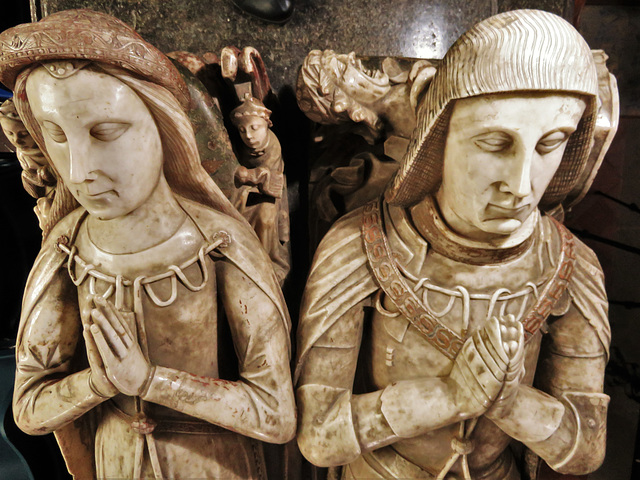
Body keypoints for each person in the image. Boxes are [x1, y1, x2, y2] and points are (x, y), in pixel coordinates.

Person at [295, 10, 611, 480]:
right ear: (438, 137)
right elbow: (319, 436)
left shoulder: (569, 265)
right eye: (495, 142)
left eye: (550, 144)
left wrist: (506, 401)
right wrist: (451, 396)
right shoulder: (360, 247)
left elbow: (585, 447)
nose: (521, 187)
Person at [0, 10, 295, 479]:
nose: (78, 171)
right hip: (115, 462)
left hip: (213, 466)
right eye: (56, 135)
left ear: (165, 125)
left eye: (104, 132)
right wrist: (97, 384)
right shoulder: (66, 249)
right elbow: (29, 407)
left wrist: (151, 381)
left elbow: (276, 413)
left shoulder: (219, 244)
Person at [231, 95, 290, 283]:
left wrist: (252, 175)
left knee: (265, 217)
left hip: (269, 199)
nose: (248, 135)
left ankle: (267, 263)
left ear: (266, 125)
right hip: (242, 198)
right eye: (242, 130)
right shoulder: (238, 146)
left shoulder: (273, 146)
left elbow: (272, 182)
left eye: (254, 128)